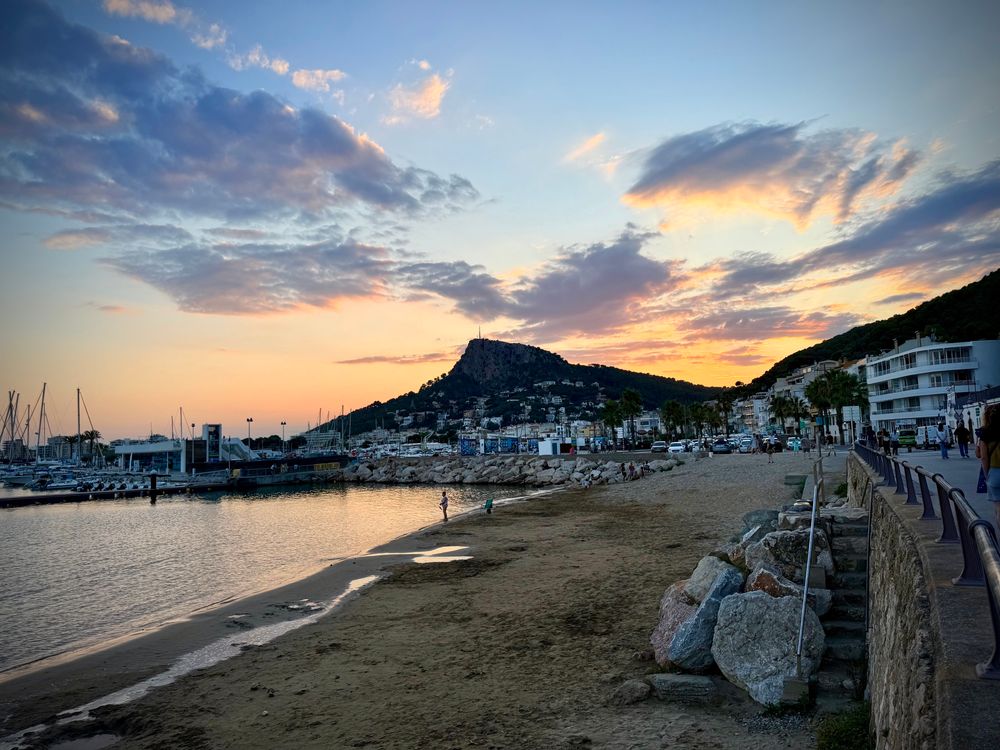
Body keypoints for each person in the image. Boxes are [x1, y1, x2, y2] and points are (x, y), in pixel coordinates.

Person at [975, 404, 1000, 531]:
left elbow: (982, 457)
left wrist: (986, 475)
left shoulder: (984, 434)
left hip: (995, 473)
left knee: (998, 508)